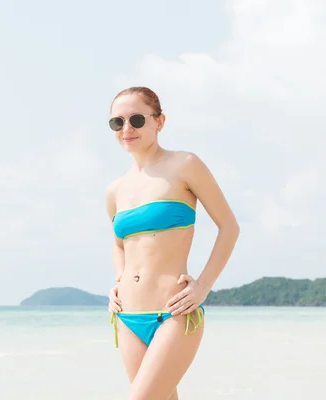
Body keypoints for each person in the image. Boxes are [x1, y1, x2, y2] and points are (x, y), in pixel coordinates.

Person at [105, 86, 240, 400]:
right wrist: (117, 280)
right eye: (117, 122)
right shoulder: (115, 190)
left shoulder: (185, 165)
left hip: (174, 313)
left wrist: (203, 286)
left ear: (159, 122)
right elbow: (119, 244)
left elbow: (229, 227)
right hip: (126, 316)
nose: (127, 129)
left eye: (137, 119)